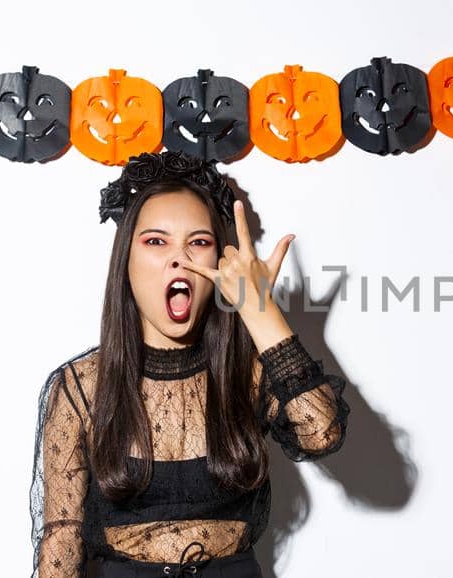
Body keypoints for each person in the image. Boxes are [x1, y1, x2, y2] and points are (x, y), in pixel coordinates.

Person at [29, 150, 352, 578]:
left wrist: (259, 312)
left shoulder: (247, 371)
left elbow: (321, 434)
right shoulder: (81, 386)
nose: (177, 259)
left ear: (220, 262)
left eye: (198, 242)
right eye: (156, 241)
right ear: (126, 261)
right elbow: (62, 537)